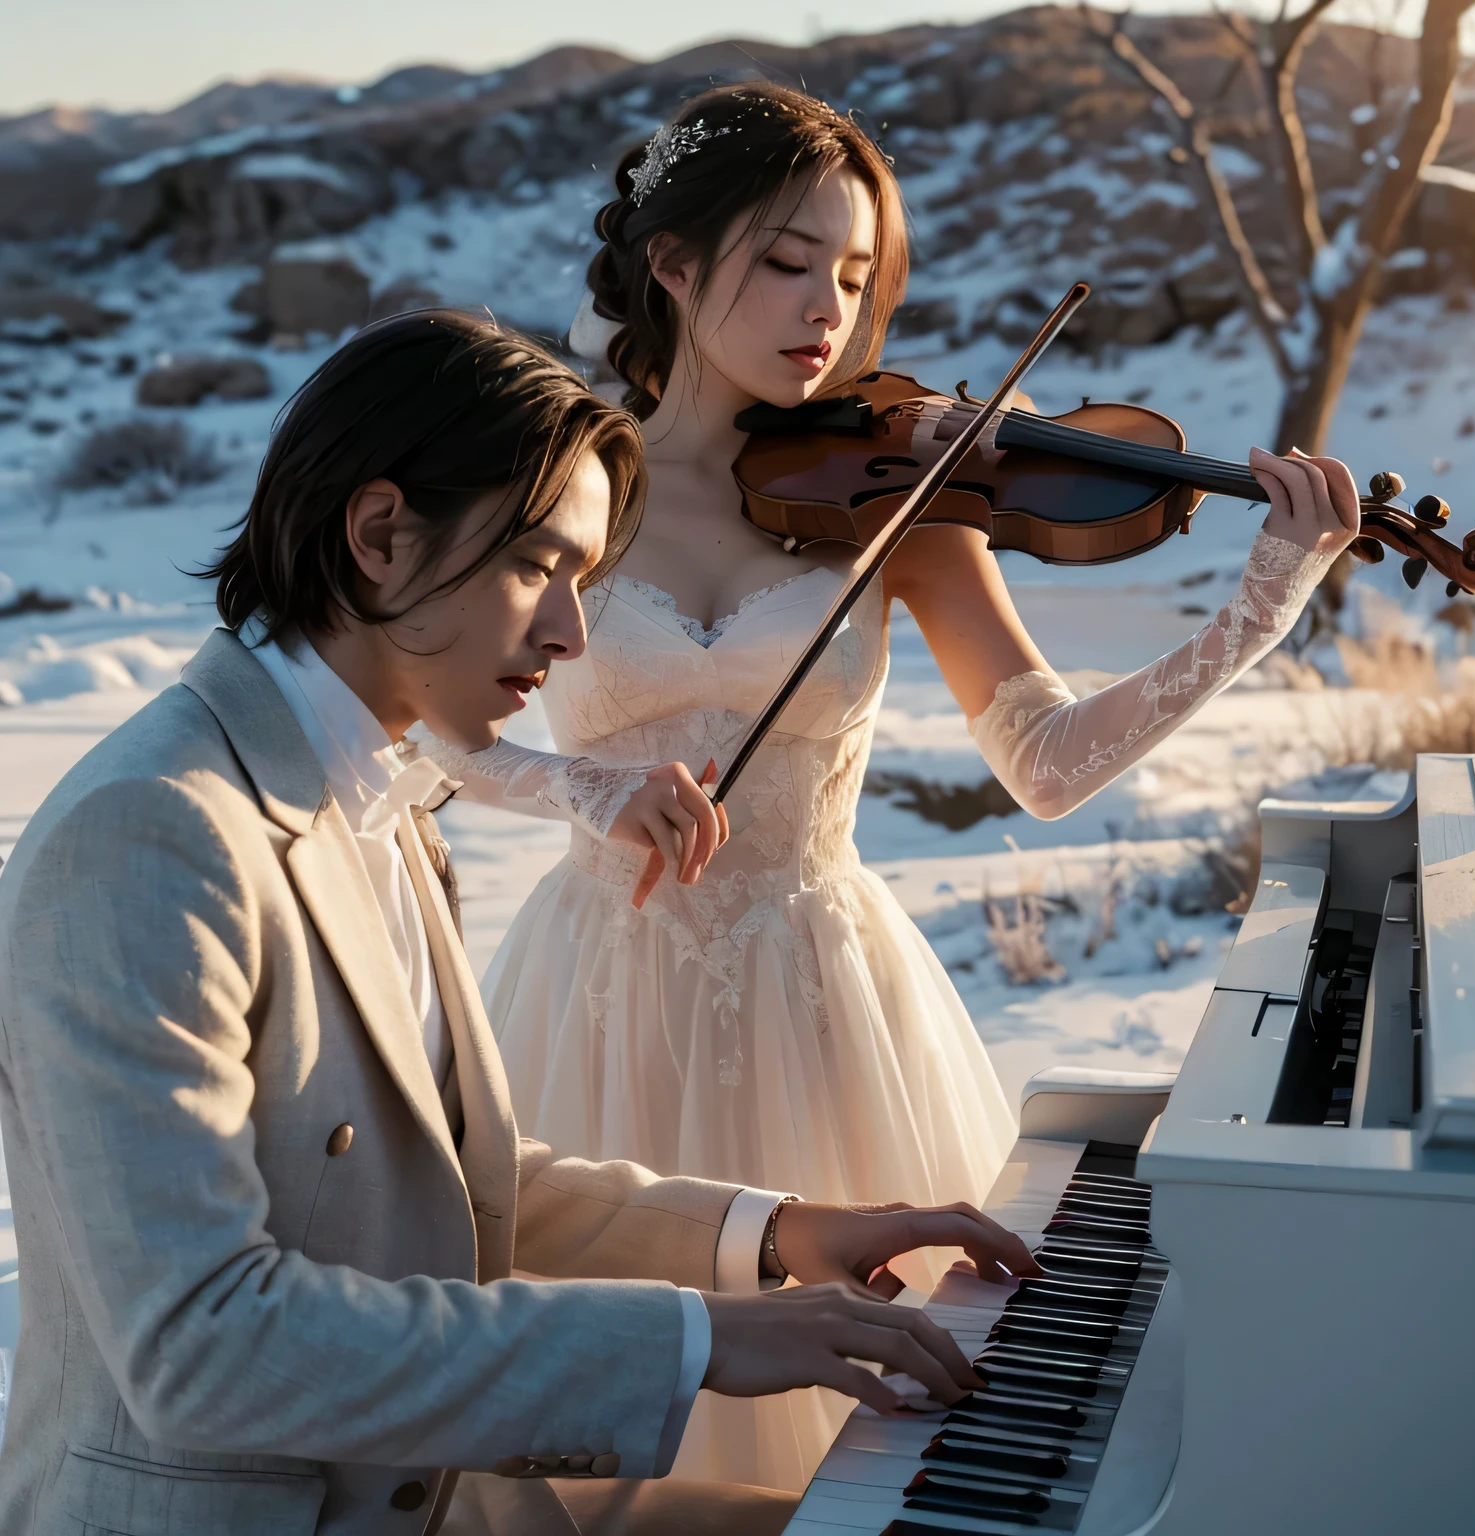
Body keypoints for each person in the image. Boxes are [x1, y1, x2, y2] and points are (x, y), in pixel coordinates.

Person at [418, 84, 1361, 1491]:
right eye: (789, 262)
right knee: (585, 1441)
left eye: (857, 274)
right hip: (594, 994)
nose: (831, 310)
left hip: (824, 988)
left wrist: (1255, 613)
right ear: (672, 266)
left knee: (868, 1453)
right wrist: (583, 793)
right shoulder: (563, 476)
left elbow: (1043, 765)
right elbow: (434, 727)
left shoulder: (902, 494)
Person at [0, 311, 1039, 1536]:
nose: (573, 634)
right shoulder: (152, 835)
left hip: (436, 1490)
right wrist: (697, 1341)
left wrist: (777, 1236)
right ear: (381, 534)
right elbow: (201, 1349)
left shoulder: (374, 786)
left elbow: (438, 1179)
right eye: (539, 567)